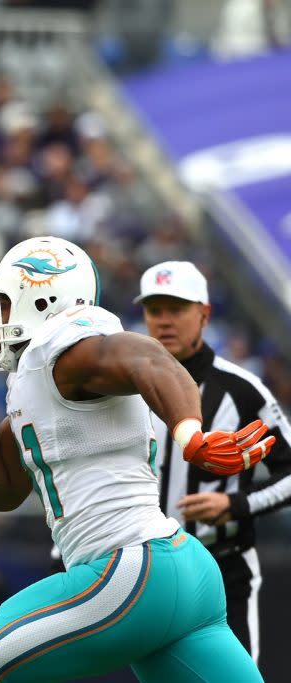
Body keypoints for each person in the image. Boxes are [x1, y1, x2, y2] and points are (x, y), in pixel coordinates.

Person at [0, 236, 273, 682]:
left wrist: (189, 433)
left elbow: (148, 357)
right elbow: (3, 492)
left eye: (7, 303)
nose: (0, 317)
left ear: (42, 295)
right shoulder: (42, 377)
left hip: (130, 569)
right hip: (181, 569)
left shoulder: (67, 346)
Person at [135, 260, 291, 662]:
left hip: (221, 570)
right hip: (141, 572)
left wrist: (235, 504)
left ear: (204, 314)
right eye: (155, 310)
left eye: (177, 308)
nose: (164, 321)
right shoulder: (122, 391)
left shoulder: (242, 390)